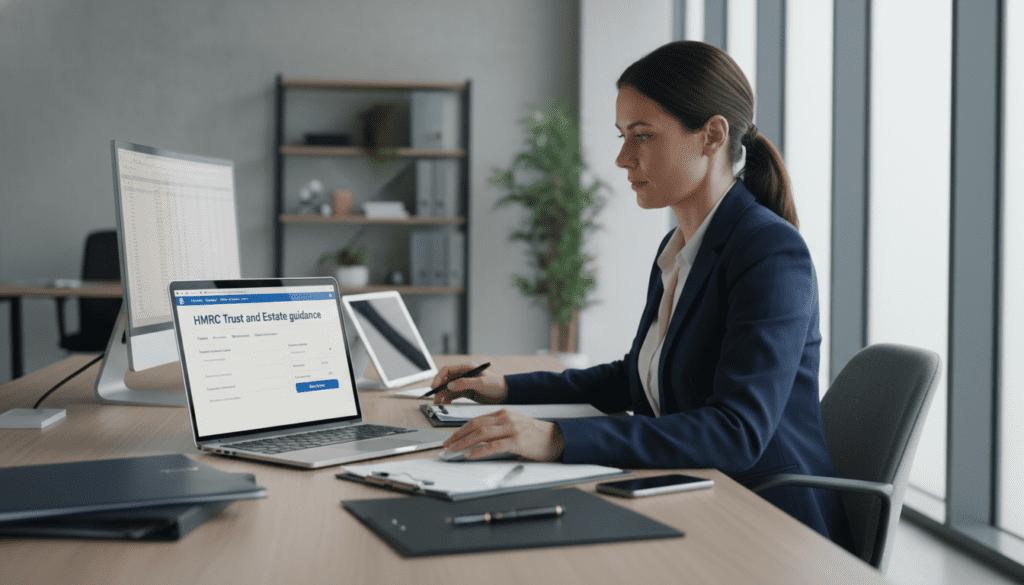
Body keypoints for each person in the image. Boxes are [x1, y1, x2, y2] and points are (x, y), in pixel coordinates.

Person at [432, 40, 852, 549]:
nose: (622, 158)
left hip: (766, 523)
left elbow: (736, 432)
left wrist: (556, 438)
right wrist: (507, 388)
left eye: (643, 136)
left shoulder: (770, 253)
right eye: (622, 136)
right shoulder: (679, 248)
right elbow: (636, 379)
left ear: (711, 136)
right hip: (695, 495)